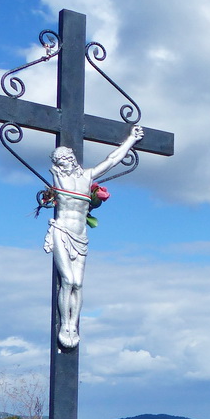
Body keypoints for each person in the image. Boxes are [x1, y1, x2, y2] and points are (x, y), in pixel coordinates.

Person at [44, 124, 144, 349]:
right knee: (67, 281)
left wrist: (131, 140)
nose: (64, 164)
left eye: (66, 160)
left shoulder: (87, 177)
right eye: (60, 162)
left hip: (81, 234)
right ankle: (64, 325)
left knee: (78, 284)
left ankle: (73, 324)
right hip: (61, 231)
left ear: (73, 159)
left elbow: (112, 160)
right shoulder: (58, 178)